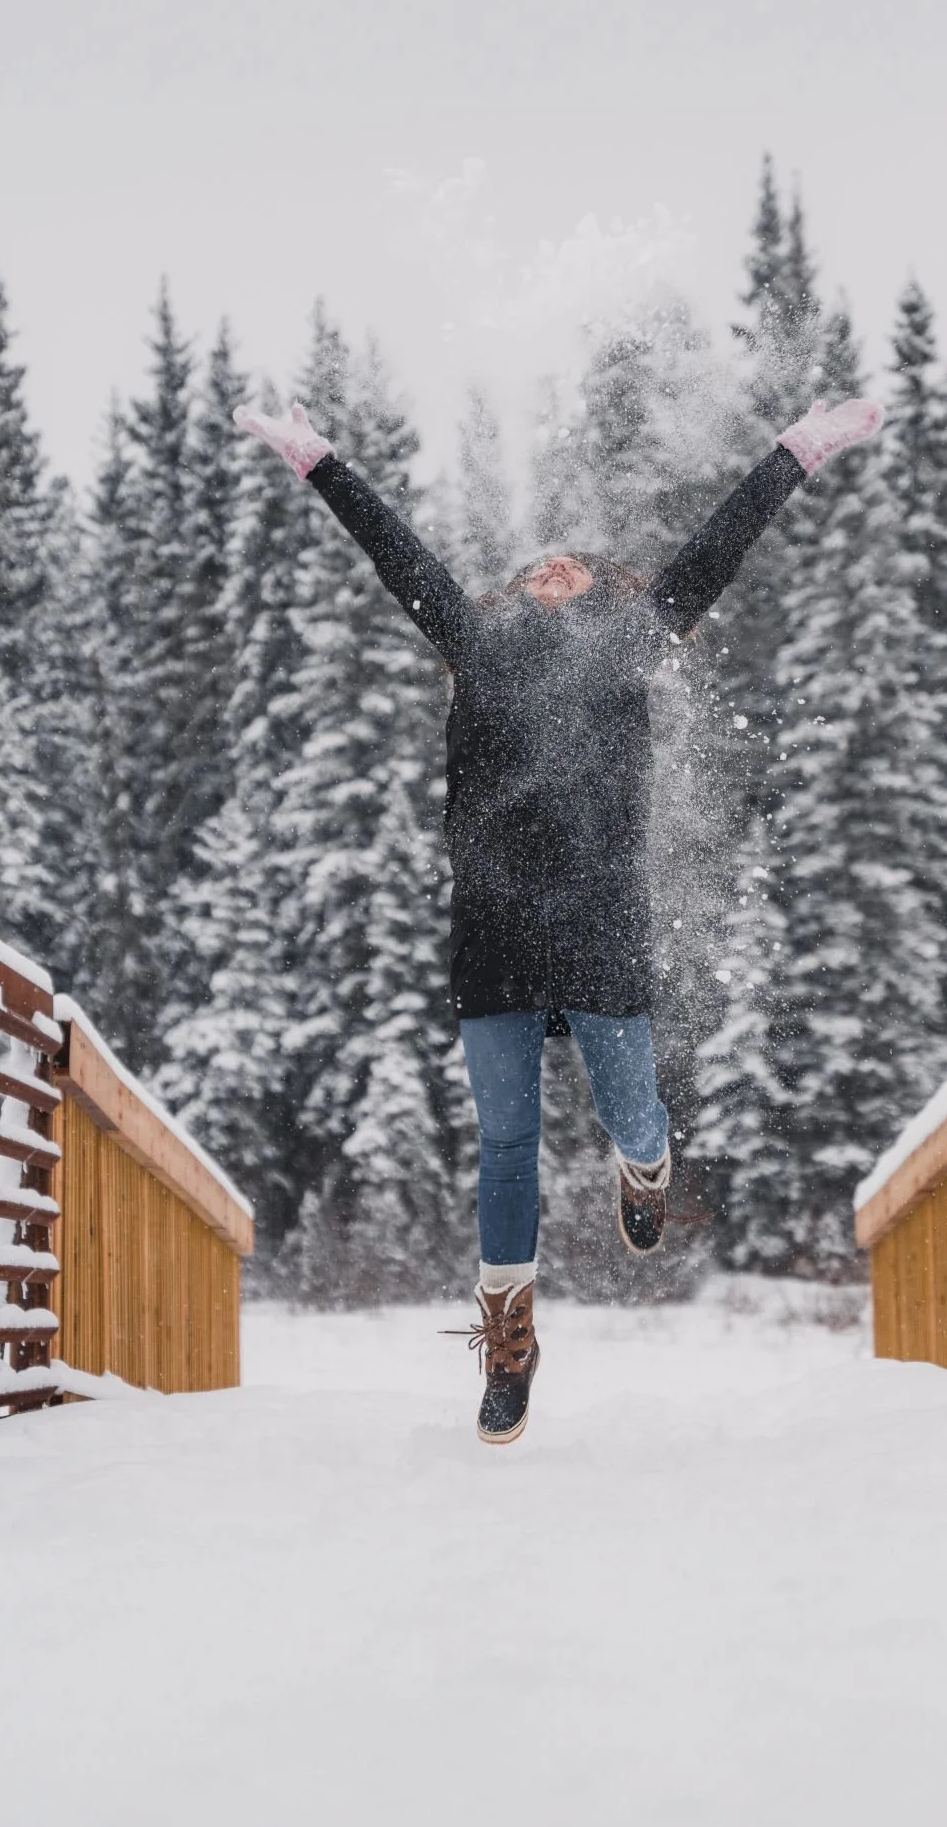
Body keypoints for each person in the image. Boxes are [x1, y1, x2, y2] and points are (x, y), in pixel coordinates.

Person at [235, 390, 883, 1441]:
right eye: (532, 565)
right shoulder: (473, 648)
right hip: (490, 927)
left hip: (595, 921)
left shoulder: (628, 645)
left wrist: (797, 452)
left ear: (603, 592)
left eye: (571, 563)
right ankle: (509, 1341)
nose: (548, 568)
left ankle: (646, 1157)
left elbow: (718, 548)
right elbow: (388, 547)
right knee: (506, 1143)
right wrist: (317, 460)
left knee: (629, 1111)